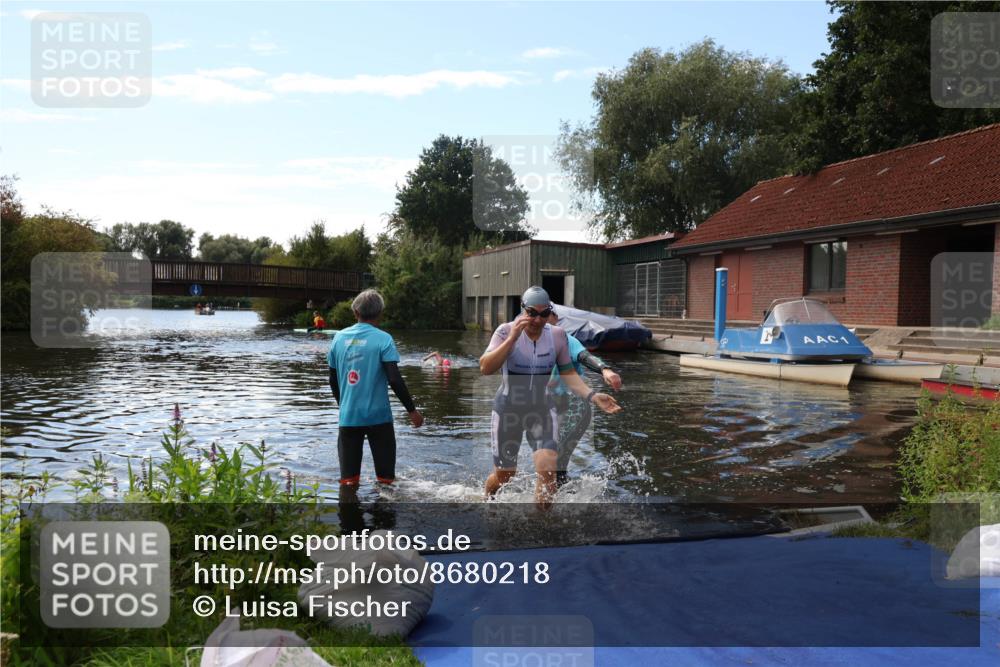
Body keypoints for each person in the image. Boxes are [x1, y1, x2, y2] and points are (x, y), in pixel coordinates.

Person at [479, 286, 622, 507]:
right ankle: (487, 503)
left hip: (541, 409)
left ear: (550, 312)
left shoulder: (557, 336)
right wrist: (511, 341)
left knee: (548, 473)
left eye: (544, 314)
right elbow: (485, 368)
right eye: (532, 313)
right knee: (505, 476)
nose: (537, 320)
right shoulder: (505, 331)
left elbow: (568, 373)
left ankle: (542, 528)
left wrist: (593, 396)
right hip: (508, 409)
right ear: (523, 310)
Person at [328, 289, 423, 488]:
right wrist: (412, 411)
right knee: (386, 481)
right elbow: (395, 380)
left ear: (356, 312)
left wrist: (343, 405)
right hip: (379, 419)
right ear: (380, 313)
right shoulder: (384, 339)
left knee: (348, 482)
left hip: (349, 417)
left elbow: (333, 380)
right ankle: (384, 516)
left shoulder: (338, 338)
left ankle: (349, 516)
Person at [546, 310, 622, 487]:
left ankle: (558, 504)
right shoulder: (532, 343)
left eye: (546, 315)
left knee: (555, 458)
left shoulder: (565, 340)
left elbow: (584, 356)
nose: (541, 320)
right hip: (547, 408)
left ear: (556, 319)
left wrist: (605, 369)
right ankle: (560, 498)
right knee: (550, 462)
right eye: (535, 315)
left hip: (574, 407)